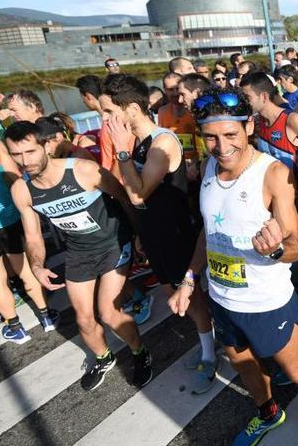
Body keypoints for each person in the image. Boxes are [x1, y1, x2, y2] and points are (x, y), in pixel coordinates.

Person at [174, 87, 298, 445]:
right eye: (211, 138)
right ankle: (268, 413)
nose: (221, 146)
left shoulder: (273, 174)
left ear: (248, 126)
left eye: (230, 134)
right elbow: (208, 230)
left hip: (266, 302)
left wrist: (276, 250)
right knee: (244, 366)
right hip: (221, 298)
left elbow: (295, 247)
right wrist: (189, 279)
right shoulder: (207, 167)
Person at [5, 121, 152, 391]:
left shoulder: (83, 170)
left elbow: (123, 197)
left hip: (113, 243)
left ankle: (140, 352)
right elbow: (34, 236)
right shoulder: (22, 191)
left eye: (30, 152)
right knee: (83, 318)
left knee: (108, 312)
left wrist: (140, 235)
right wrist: (37, 265)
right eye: (16, 154)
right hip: (79, 252)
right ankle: (103, 357)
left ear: (46, 146)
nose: (25, 161)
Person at [102, 74, 215, 394]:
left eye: (109, 112)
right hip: (153, 234)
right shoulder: (135, 142)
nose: (105, 120)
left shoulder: (161, 142)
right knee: (171, 295)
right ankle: (208, 342)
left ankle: (210, 352)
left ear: (132, 109)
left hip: (175, 233)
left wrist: (122, 154)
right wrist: (140, 233)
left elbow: (138, 194)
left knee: (191, 299)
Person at [0, 137, 58, 343]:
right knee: (26, 271)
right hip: (8, 217)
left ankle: (15, 327)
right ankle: (47, 317)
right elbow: (15, 176)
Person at [241, 72, 298, 170]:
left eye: (247, 97)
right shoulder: (258, 122)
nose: (243, 102)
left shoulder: (291, 120)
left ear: (264, 97)